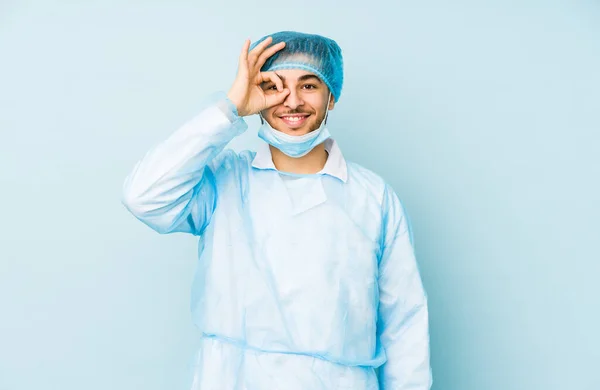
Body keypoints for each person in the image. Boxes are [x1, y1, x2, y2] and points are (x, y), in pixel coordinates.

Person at [122, 31, 432, 390]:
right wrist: (230, 108)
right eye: (275, 86)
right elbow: (143, 196)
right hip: (232, 378)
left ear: (332, 96)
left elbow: (404, 323)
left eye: (309, 85)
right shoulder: (225, 180)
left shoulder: (373, 197)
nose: (292, 101)